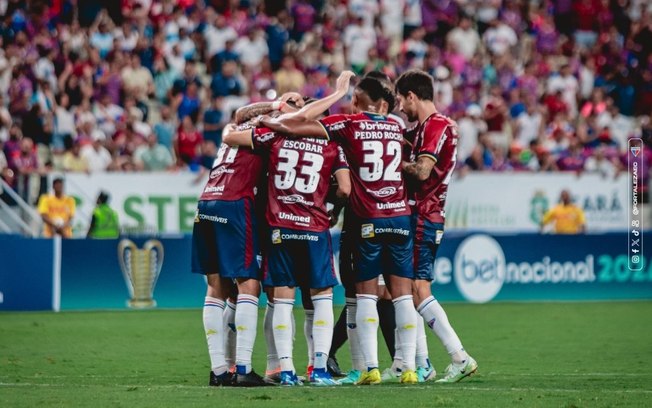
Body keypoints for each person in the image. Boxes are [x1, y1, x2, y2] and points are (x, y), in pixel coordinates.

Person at [258, 74, 420, 385]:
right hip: (400, 216)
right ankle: (409, 367)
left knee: (365, 296)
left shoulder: (350, 124)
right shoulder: (397, 127)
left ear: (357, 101)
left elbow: (299, 120)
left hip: (367, 218)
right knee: (402, 296)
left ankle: (369, 367)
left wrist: (336, 93)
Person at [224, 92, 352, 386]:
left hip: (280, 226)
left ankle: (287, 371)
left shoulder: (274, 137)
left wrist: (239, 126)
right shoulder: (333, 143)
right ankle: (319, 369)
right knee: (321, 298)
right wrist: (331, 206)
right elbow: (344, 188)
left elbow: (233, 138)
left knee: (281, 301)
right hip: (315, 228)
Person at [395, 69, 478, 383]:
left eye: (402, 100)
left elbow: (422, 171)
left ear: (413, 96)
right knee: (411, 290)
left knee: (418, 288)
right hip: (427, 215)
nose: (401, 107)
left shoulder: (436, 125)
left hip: (425, 214)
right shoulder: (429, 127)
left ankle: (459, 356)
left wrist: (391, 161)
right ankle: (422, 364)